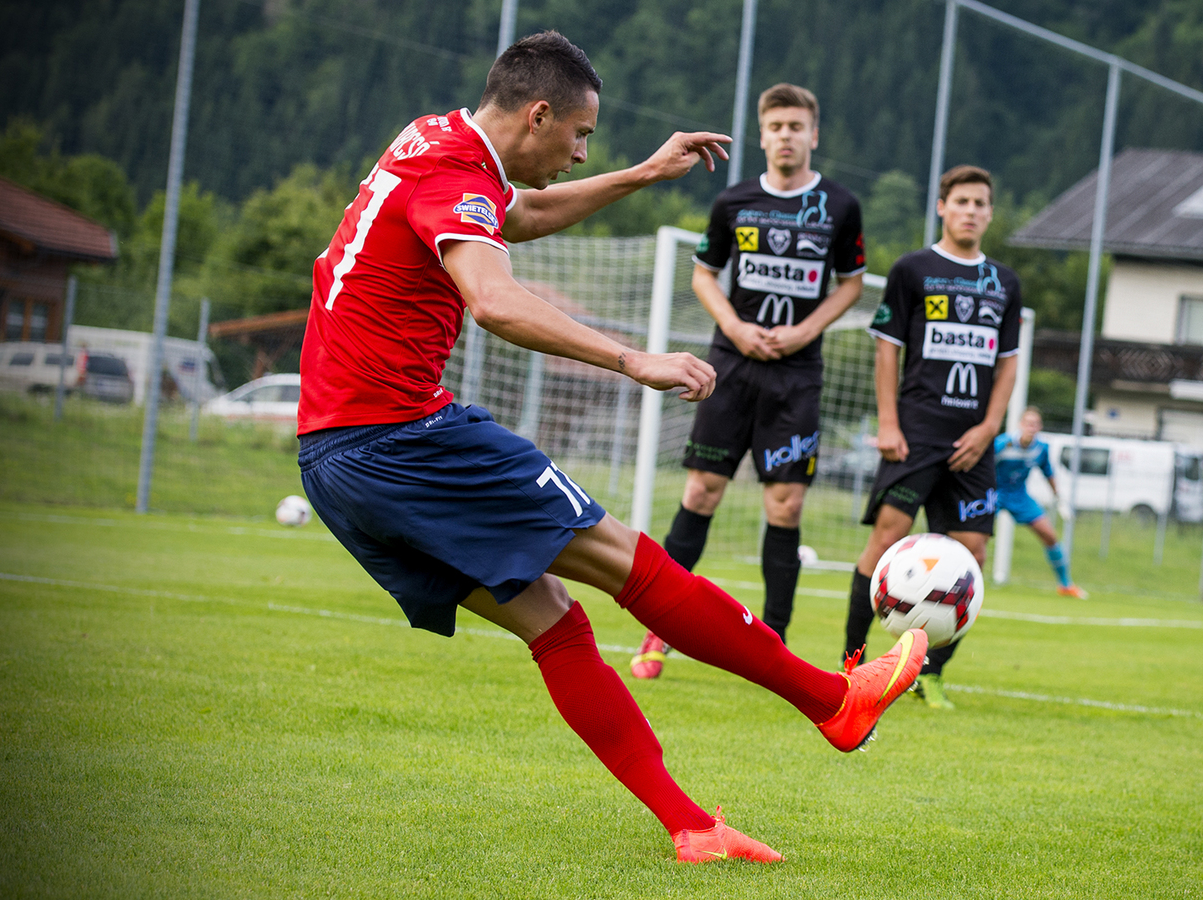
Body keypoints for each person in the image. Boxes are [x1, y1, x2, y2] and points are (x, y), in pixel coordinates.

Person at [296, 32, 925, 864]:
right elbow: (494, 300)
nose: (582, 153)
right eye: (581, 135)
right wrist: (634, 359)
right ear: (539, 114)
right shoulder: (453, 172)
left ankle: (694, 829)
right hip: (403, 436)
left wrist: (640, 176)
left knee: (555, 623)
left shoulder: (436, 142)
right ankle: (834, 701)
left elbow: (517, 218)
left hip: (333, 461)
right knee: (633, 563)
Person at [632, 83, 865, 677]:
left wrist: (804, 331)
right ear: (762, 136)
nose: (786, 136)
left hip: (797, 375)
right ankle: (659, 631)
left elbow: (851, 285)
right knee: (701, 492)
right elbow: (704, 274)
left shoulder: (840, 206)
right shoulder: (734, 200)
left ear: (814, 135)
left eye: (797, 126)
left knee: (785, 504)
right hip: (730, 368)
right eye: (776, 126)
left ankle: (774, 646)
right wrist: (735, 328)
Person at [843, 164, 1021, 711]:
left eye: (980, 203)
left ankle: (931, 674)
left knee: (973, 553)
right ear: (942, 207)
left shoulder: (1004, 282)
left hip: (973, 441)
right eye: (961, 201)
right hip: (916, 432)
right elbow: (887, 349)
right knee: (887, 539)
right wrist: (889, 422)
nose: (971, 211)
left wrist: (989, 428)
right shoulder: (912, 269)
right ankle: (851, 664)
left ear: (990, 213)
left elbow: (1008, 364)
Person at [994, 406, 1087, 598]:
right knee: (977, 537)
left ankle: (1065, 585)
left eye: (1035, 424)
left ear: (1040, 427)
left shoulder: (1040, 449)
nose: (1032, 427)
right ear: (1020, 424)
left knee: (1050, 536)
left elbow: (1048, 472)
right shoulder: (1002, 444)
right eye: (1028, 423)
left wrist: (1059, 499)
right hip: (994, 493)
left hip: (1019, 496)